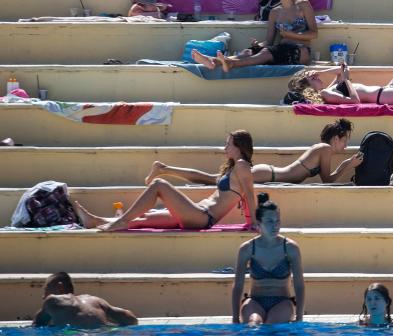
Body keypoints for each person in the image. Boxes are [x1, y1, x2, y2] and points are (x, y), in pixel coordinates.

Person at [72, 130, 256, 231]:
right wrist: (167, 170)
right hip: (196, 212)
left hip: (202, 217)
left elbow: (249, 194)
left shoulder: (242, 166)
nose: (224, 147)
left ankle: (120, 220)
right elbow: (202, 177)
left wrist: (253, 223)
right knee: (144, 218)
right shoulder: (233, 169)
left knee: (159, 186)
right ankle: (94, 221)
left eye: (228, 144)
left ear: (239, 147)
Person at [147, 118, 363, 185]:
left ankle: (165, 169)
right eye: (345, 141)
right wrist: (348, 166)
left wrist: (346, 165)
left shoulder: (321, 148)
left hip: (268, 172)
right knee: (213, 180)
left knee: (213, 179)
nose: (345, 146)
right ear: (336, 138)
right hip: (268, 174)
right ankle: (164, 169)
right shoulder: (324, 149)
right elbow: (327, 181)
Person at [191, 0, 317, 70]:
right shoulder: (274, 12)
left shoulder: (303, 5)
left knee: (267, 52)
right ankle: (213, 61)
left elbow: (313, 34)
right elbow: (269, 41)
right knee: (249, 51)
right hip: (280, 49)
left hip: (301, 52)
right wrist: (258, 45)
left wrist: (291, 35)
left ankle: (231, 63)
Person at [232, 193, 304, 325]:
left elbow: (299, 286)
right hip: (254, 301)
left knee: (271, 327)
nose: (275, 225)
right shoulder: (247, 249)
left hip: (282, 302)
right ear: (259, 223)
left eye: (277, 221)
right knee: (253, 325)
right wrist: (235, 318)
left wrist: (299, 317)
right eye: (270, 221)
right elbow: (238, 286)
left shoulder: (290, 248)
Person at [33, 272, 137, 328]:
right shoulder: (96, 301)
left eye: (46, 290)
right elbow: (131, 319)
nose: (43, 296)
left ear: (59, 287)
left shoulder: (52, 301)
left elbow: (37, 325)